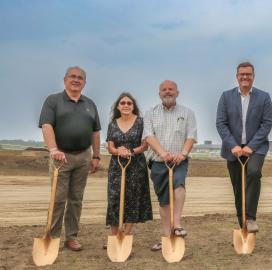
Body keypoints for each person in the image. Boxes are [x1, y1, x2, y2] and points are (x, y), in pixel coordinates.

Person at [38, 66, 101, 251]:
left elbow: (95, 132)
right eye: (72, 76)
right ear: (65, 79)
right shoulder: (53, 100)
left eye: (80, 78)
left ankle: (71, 237)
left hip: (83, 157)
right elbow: (46, 125)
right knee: (58, 199)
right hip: (61, 157)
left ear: (84, 83)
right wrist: (53, 149)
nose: (76, 80)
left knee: (76, 199)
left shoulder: (90, 104)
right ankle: (52, 236)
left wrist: (96, 156)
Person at [216, 62, 272, 233]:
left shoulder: (264, 97)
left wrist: (251, 146)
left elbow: (266, 124)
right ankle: (243, 226)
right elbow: (221, 123)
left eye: (248, 74)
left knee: (254, 173)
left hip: (256, 147)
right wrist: (232, 145)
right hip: (232, 149)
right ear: (237, 76)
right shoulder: (226, 97)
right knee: (237, 187)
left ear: (253, 76)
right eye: (242, 74)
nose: (245, 77)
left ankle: (251, 217)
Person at [143, 80, 197, 251]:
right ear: (159, 93)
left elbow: (191, 136)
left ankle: (177, 224)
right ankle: (166, 237)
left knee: (179, 186)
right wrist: (163, 153)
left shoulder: (187, 113)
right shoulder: (150, 113)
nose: (167, 92)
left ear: (177, 93)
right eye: (164, 90)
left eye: (171, 89)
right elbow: (149, 136)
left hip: (179, 161)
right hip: (158, 162)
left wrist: (183, 154)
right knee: (164, 201)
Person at [105, 92, 153, 239]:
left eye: (129, 103)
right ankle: (114, 236)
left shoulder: (141, 122)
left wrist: (131, 152)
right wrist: (118, 151)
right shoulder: (112, 124)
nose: (126, 105)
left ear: (133, 106)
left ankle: (126, 235)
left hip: (136, 165)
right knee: (114, 199)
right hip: (116, 166)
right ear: (118, 106)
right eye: (123, 103)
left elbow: (145, 145)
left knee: (133, 197)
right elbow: (110, 147)